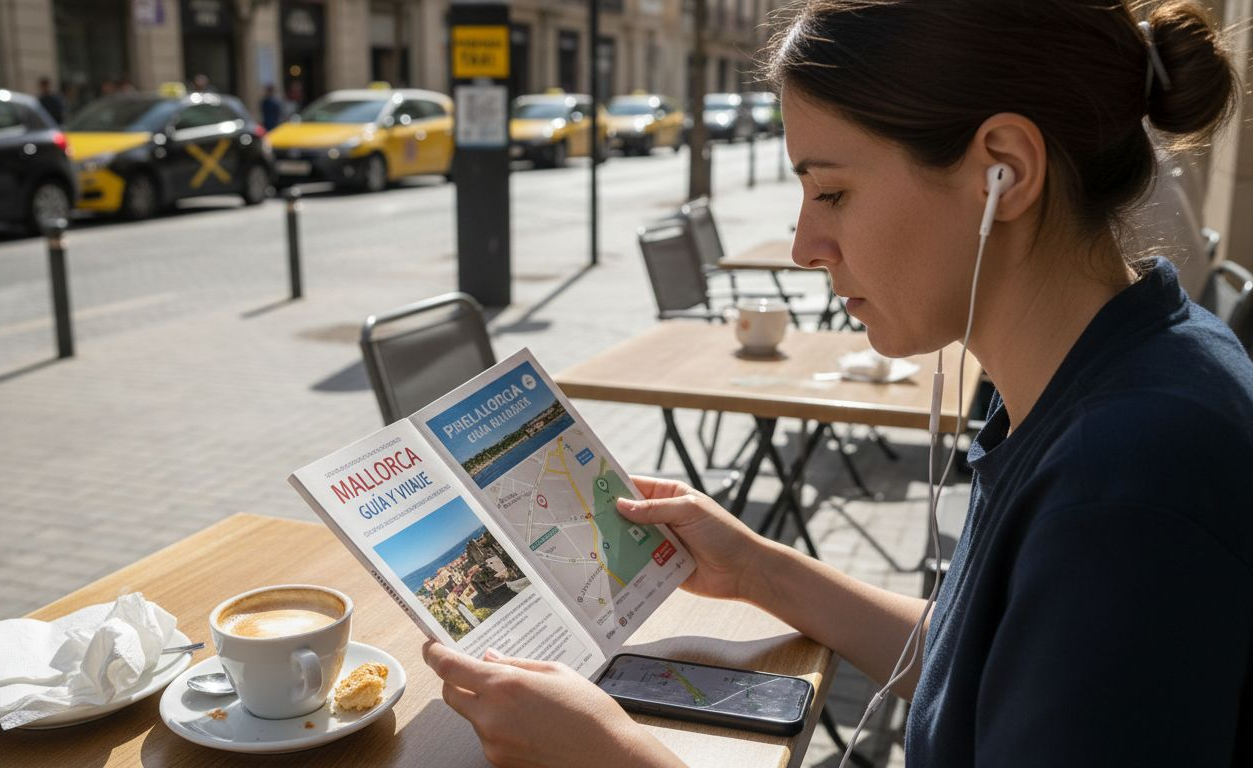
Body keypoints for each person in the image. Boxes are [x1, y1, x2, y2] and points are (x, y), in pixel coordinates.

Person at [422, 1, 1253, 766]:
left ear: (1004, 168)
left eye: (833, 190)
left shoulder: (1130, 483)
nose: (803, 243)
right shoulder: (1108, 371)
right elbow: (993, 663)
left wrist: (607, 755)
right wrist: (758, 569)